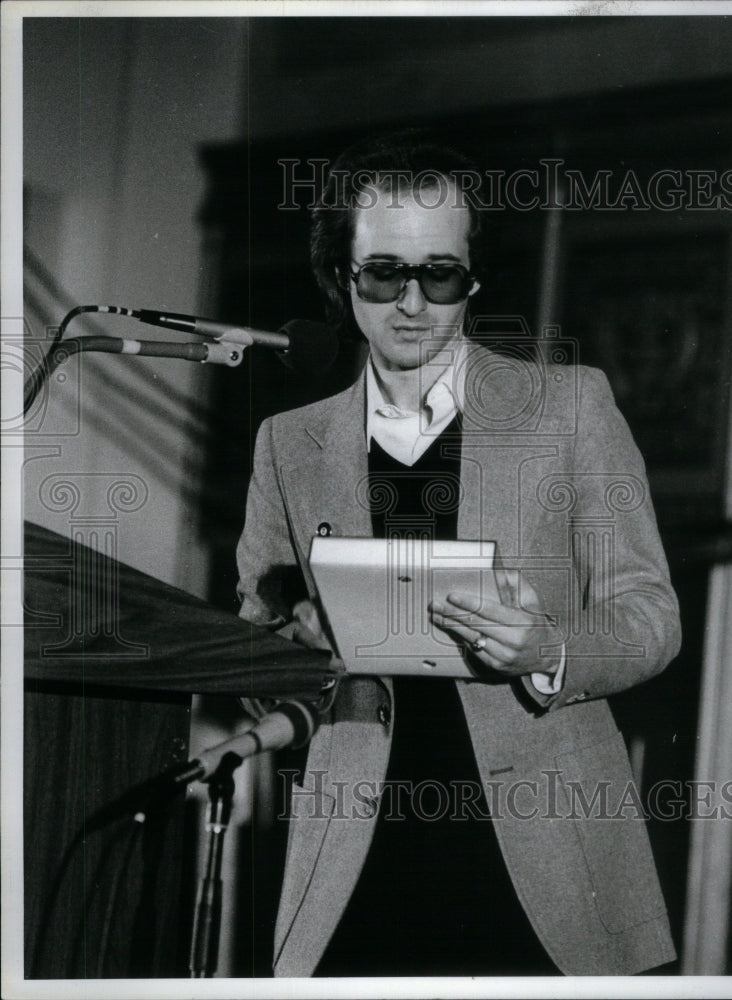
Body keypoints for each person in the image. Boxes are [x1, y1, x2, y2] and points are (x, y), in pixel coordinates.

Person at [236, 131, 681, 977]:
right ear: (340, 277)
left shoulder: (571, 409)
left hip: (548, 863)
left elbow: (651, 616)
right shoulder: (287, 446)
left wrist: (552, 649)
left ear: (473, 277)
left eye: (439, 274)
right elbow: (251, 642)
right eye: (384, 274)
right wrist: (291, 645)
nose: (413, 303)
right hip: (357, 862)